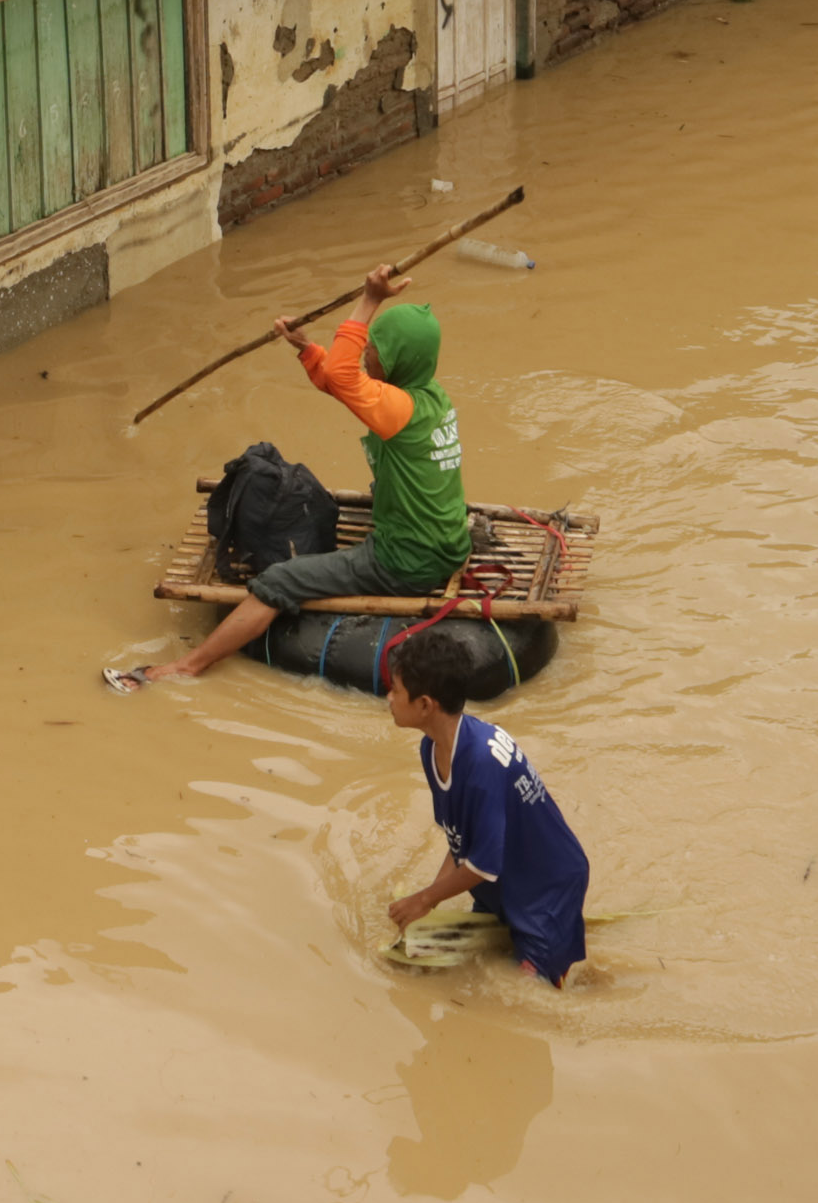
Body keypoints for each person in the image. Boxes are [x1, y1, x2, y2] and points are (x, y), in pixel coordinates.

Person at [159, 263, 468, 681]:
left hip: (406, 562)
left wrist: (369, 300)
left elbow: (344, 376)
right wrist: (306, 348)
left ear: (397, 360)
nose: (364, 356)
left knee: (280, 579)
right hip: (445, 543)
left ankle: (185, 667)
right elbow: (342, 380)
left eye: (372, 351)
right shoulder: (427, 396)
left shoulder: (398, 410)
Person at [383, 624, 590, 984]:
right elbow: (461, 841)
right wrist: (431, 902)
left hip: (546, 890)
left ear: (425, 705)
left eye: (396, 690)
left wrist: (425, 899)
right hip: (505, 882)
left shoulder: (480, 763)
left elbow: (481, 865)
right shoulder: (432, 747)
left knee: (524, 996)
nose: (388, 698)